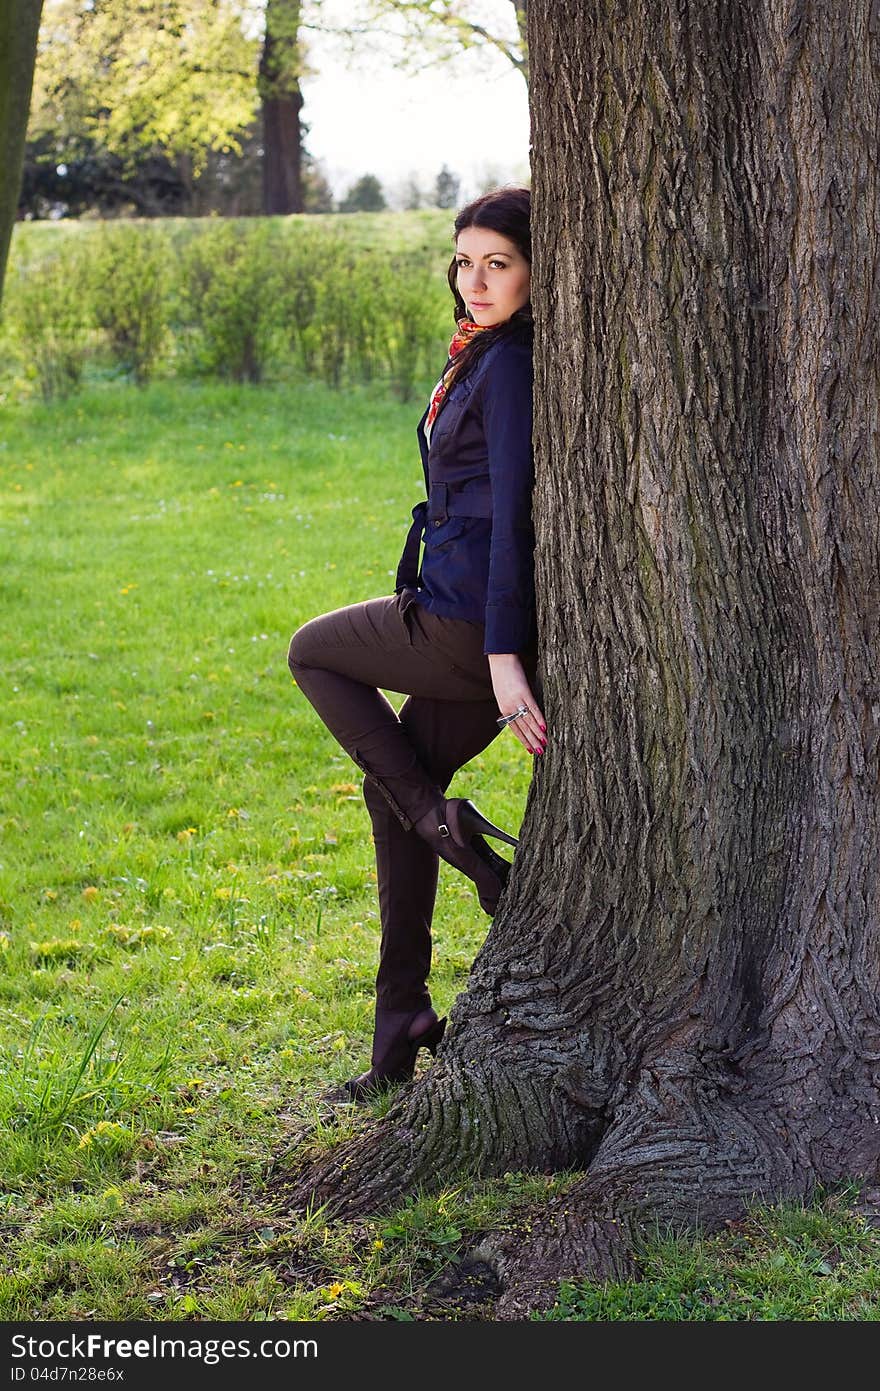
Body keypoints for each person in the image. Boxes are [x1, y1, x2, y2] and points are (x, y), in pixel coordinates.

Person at [287, 186, 546, 1102]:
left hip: (466, 625)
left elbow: (515, 512)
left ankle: (453, 832)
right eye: (465, 260)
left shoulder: (510, 365)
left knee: (311, 650)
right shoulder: (480, 355)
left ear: (533, 272)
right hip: (461, 613)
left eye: (499, 263)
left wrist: (504, 655)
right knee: (391, 787)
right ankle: (400, 1022)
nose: (475, 280)